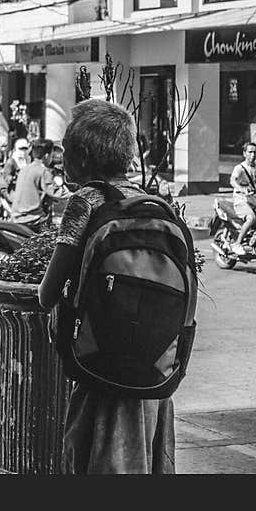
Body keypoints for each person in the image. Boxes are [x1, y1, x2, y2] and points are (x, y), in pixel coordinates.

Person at [39, 99, 174, 474]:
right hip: (154, 372)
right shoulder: (153, 202)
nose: (61, 157)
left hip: (102, 371)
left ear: (81, 156)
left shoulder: (85, 201)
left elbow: (47, 294)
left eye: (65, 148)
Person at [10, 138, 61, 226]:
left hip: (16, 217)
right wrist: (75, 195)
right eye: (52, 155)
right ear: (46, 156)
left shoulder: (25, 169)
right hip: (32, 218)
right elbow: (56, 192)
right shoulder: (43, 171)